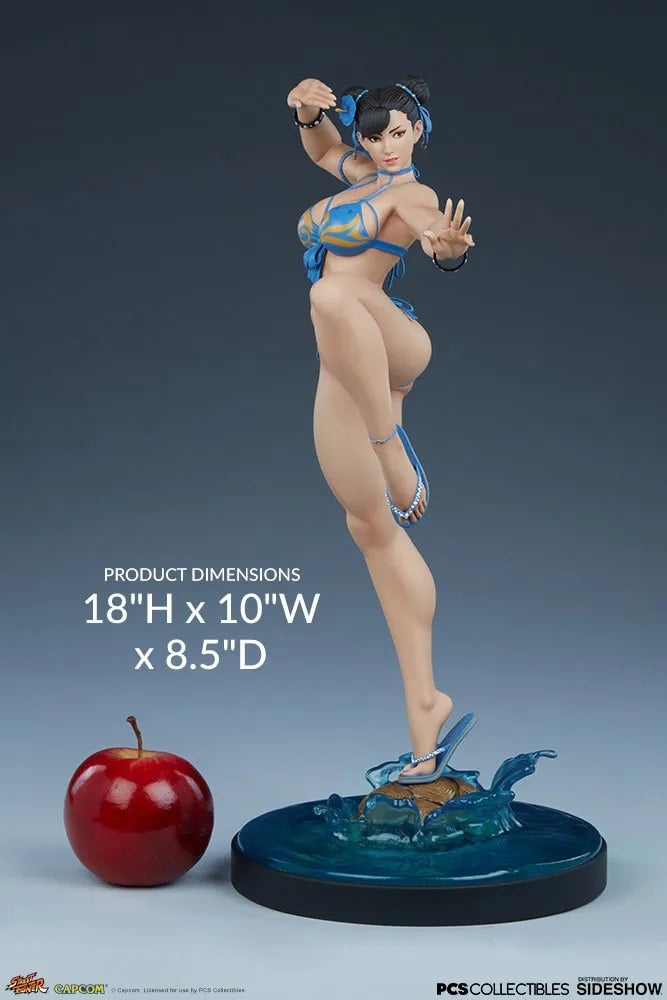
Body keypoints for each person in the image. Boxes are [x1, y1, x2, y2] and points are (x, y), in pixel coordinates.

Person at [286, 75, 475, 781]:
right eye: (374, 136)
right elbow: (322, 151)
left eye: (398, 133)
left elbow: (432, 234)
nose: (386, 147)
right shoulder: (362, 173)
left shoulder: (410, 193)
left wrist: (447, 249)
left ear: (417, 129)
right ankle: (425, 710)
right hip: (344, 366)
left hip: (393, 342)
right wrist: (307, 113)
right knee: (370, 530)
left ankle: (392, 446)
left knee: (332, 291)